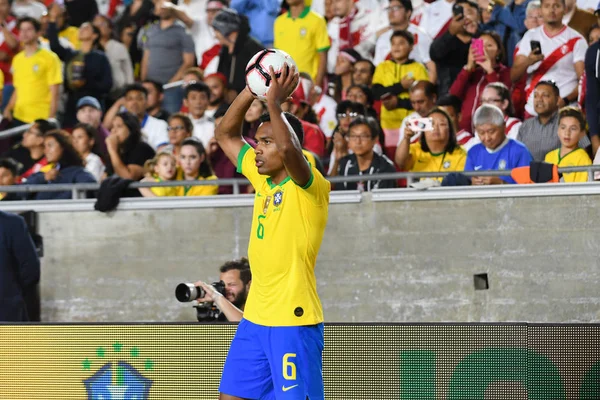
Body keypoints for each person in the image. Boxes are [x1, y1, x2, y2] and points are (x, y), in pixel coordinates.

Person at [214, 64, 329, 400]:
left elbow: (292, 151)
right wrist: (252, 90)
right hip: (256, 318)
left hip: (292, 320)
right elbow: (225, 135)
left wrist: (274, 104)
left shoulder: (310, 185)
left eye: (266, 142)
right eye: (257, 141)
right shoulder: (261, 176)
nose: (258, 149)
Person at [511, 0, 587, 117]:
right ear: (541, 9)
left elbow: (583, 82)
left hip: (564, 112)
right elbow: (514, 77)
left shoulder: (577, 40)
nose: (552, 10)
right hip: (533, 111)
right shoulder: (529, 36)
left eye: (556, 6)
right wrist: (528, 61)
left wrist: (565, 100)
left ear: (565, 9)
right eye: (547, 6)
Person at [372, 30, 429, 159]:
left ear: (411, 47)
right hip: (387, 125)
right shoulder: (382, 67)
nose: (396, 47)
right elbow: (376, 93)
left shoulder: (418, 68)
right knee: (393, 160)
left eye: (401, 43)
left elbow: (425, 99)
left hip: (413, 122)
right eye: (393, 43)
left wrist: (398, 103)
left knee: (411, 157)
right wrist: (400, 87)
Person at [3, 17, 62, 126]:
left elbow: (55, 93)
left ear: (38, 33)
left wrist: (50, 119)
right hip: (18, 116)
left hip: (40, 117)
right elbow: (18, 88)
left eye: (29, 29)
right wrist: (8, 108)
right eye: (22, 30)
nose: (24, 33)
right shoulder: (17, 59)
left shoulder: (50, 58)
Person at [450, 31, 512, 132]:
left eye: (489, 45)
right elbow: (453, 95)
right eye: (481, 45)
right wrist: (468, 67)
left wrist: (490, 71)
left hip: (489, 131)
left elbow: (502, 97)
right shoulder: (471, 72)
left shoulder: (505, 72)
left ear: (498, 51)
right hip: (465, 130)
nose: (484, 49)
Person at [518, 80, 590, 160]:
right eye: (536, 96)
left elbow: (584, 150)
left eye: (545, 95)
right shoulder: (525, 126)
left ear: (557, 99)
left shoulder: (571, 121)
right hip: (529, 171)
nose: (539, 99)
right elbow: (518, 156)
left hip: (564, 171)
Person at [463, 104, 532, 184]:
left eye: (491, 131)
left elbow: (527, 188)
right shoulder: (473, 152)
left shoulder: (520, 151)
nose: (487, 138)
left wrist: (501, 183)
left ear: (503, 126)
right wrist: (472, 184)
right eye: (481, 133)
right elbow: (465, 182)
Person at [25, 130, 97, 200]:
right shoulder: (44, 174)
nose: (46, 151)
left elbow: (90, 187)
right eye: (45, 147)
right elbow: (19, 192)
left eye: (50, 145)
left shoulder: (78, 173)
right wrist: (42, 178)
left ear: (63, 147)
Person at [396, 107, 467, 176]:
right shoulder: (416, 149)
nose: (436, 128)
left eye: (442, 124)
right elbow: (401, 163)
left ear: (450, 130)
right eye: (431, 124)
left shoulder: (460, 153)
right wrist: (406, 138)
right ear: (424, 130)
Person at [335, 116, 397, 190]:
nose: (358, 142)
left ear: (375, 139)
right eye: (353, 136)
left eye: (363, 136)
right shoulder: (345, 163)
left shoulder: (385, 167)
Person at [0, 210, 40, 321]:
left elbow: (30, 269)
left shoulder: (12, 223)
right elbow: (31, 269)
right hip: (9, 311)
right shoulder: (13, 223)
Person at [194, 257, 252, 322]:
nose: (226, 289)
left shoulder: (260, 311)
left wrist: (216, 296)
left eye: (231, 284)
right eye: (223, 285)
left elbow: (247, 327)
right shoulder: (223, 317)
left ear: (249, 285)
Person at [104, 111, 156, 182]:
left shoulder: (142, 149)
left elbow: (127, 177)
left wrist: (112, 150)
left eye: (119, 126)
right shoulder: (118, 151)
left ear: (130, 129)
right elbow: (104, 179)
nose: (113, 131)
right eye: (112, 127)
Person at [544, 106, 592, 181]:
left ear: (582, 133)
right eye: (563, 127)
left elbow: (581, 190)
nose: (567, 133)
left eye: (573, 129)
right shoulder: (549, 156)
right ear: (558, 130)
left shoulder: (583, 159)